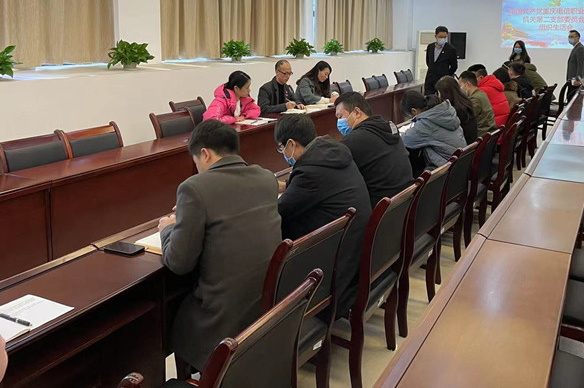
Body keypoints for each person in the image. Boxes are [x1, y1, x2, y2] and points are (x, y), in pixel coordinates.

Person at [158, 120, 282, 373]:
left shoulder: (194, 188)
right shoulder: (265, 177)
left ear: (204, 153)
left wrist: (168, 228)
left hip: (222, 320)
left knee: (168, 315)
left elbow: (179, 263)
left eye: (196, 162)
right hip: (264, 306)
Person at [275, 115, 371, 316]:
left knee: (277, 236)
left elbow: (279, 211)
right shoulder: (331, 151)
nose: (283, 153)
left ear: (291, 143)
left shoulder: (310, 172)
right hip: (355, 251)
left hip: (336, 267)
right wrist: (289, 185)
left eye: (282, 147)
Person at [334, 92, 414, 207]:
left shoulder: (354, 140)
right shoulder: (387, 127)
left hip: (381, 209)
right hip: (405, 202)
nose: (339, 123)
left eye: (340, 117)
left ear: (357, 112)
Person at [401, 91, 466, 173]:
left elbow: (405, 141)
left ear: (414, 111)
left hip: (449, 170)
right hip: (462, 162)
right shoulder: (445, 110)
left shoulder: (425, 124)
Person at [436, 75, 479, 143]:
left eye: (438, 93)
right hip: (470, 144)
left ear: (444, 94)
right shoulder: (466, 103)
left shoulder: (452, 112)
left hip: (462, 145)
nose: (438, 96)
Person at [457, 71, 497, 136]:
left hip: (481, 134)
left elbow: (466, 118)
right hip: (488, 131)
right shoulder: (481, 94)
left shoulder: (475, 99)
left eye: (460, 86)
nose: (460, 89)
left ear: (468, 84)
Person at [424, 25, 458, 95]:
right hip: (430, 79)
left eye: (444, 37)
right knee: (429, 98)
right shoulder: (430, 47)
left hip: (443, 81)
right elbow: (428, 61)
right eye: (440, 37)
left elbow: (454, 66)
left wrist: (446, 75)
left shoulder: (450, 49)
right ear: (435, 36)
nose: (442, 39)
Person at [567, 29, 584, 99]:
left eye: (572, 37)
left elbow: (581, 65)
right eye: (569, 37)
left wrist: (578, 79)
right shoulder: (576, 47)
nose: (570, 39)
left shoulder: (580, 48)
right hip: (572, 79)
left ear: (578, 38)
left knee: (573, 99)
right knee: (570, 98)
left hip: (575, 80)